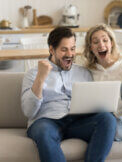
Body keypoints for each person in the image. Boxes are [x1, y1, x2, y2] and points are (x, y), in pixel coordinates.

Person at [21, 26, 116, 162]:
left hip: (77, 122)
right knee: (43, 131)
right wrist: (41, 78)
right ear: (51, 49)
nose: (70, 54)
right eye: (64, 49)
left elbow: (92, 103)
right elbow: (29, 111)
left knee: (108, 119)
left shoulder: (84, 73)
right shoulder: (33, 74)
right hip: (47, 122)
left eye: (72, 49)